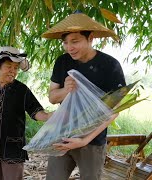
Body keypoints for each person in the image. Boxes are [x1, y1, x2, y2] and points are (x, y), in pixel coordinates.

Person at [42, 12, 126, 180]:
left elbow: (115, 109)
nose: (69, 47)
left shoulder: (110, 66)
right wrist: (66, 90)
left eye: (75, 41)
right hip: (62, 134)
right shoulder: (62, 61)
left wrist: (85, 140)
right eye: (65, 42)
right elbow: (52, 97)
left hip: (92, 140)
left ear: (91, 38)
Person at [0, 46, 52, 180]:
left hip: (13, 148)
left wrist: (51, 116)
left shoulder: (22, 90)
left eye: (16, 68)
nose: (13, 71)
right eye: (9, 66)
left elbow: (36, 112)